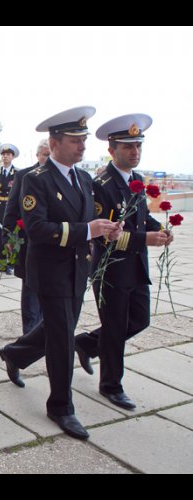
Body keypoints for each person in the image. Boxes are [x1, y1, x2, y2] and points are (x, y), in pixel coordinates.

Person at [0, 107, 122, 440]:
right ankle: (61, 407)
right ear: (54, 143)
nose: (82, 146)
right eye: (74, 140)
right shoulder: (35, 179)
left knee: (58, 328)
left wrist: (104, 230)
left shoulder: (83, 179)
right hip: (50, 270)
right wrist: (86, 229)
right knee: (63, 337)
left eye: (83, 140)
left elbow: (89, 223)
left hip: (77, 268)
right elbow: (37, 228)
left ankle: (14, 353)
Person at [75, 114, 172, 410]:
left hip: (136, 266)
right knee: (115, 327)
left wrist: (158, 228)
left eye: (138, 146)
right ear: (112, 150)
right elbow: (104, 233)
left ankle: (89, 343)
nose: (135, 152)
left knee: (140, 320)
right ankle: (111, 385)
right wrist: (145, 239)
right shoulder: (101, 185)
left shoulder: (137, 181)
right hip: (112, 267)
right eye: (128, 147)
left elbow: (140, 216)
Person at [2, 139, 50, 335]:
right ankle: (29, 333)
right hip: (28, 242)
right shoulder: (24, 175)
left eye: (51, 154)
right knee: (30, 289)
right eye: (45, 155)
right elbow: (11, 208)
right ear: (38, 155)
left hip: (53, 244)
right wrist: (8, 239)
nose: (48, 158)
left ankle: (43, 331)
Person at [0, 144, 18, 273]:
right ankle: (1, 263)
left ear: (12, 157)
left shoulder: (17, 173)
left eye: (8, 154)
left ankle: (11, 264)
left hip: (11, 209)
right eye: (3, 154)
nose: (5, 156)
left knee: (11, 236)